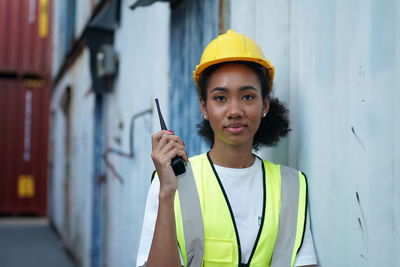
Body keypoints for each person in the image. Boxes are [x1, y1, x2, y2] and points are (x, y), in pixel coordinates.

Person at [137, 30, 318, 267]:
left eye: (247, 97)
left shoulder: (293, 186)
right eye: (220, 98)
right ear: (204, 106)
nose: (235, 111)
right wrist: (167, 193)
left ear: (265, 105)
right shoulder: (170, 182)